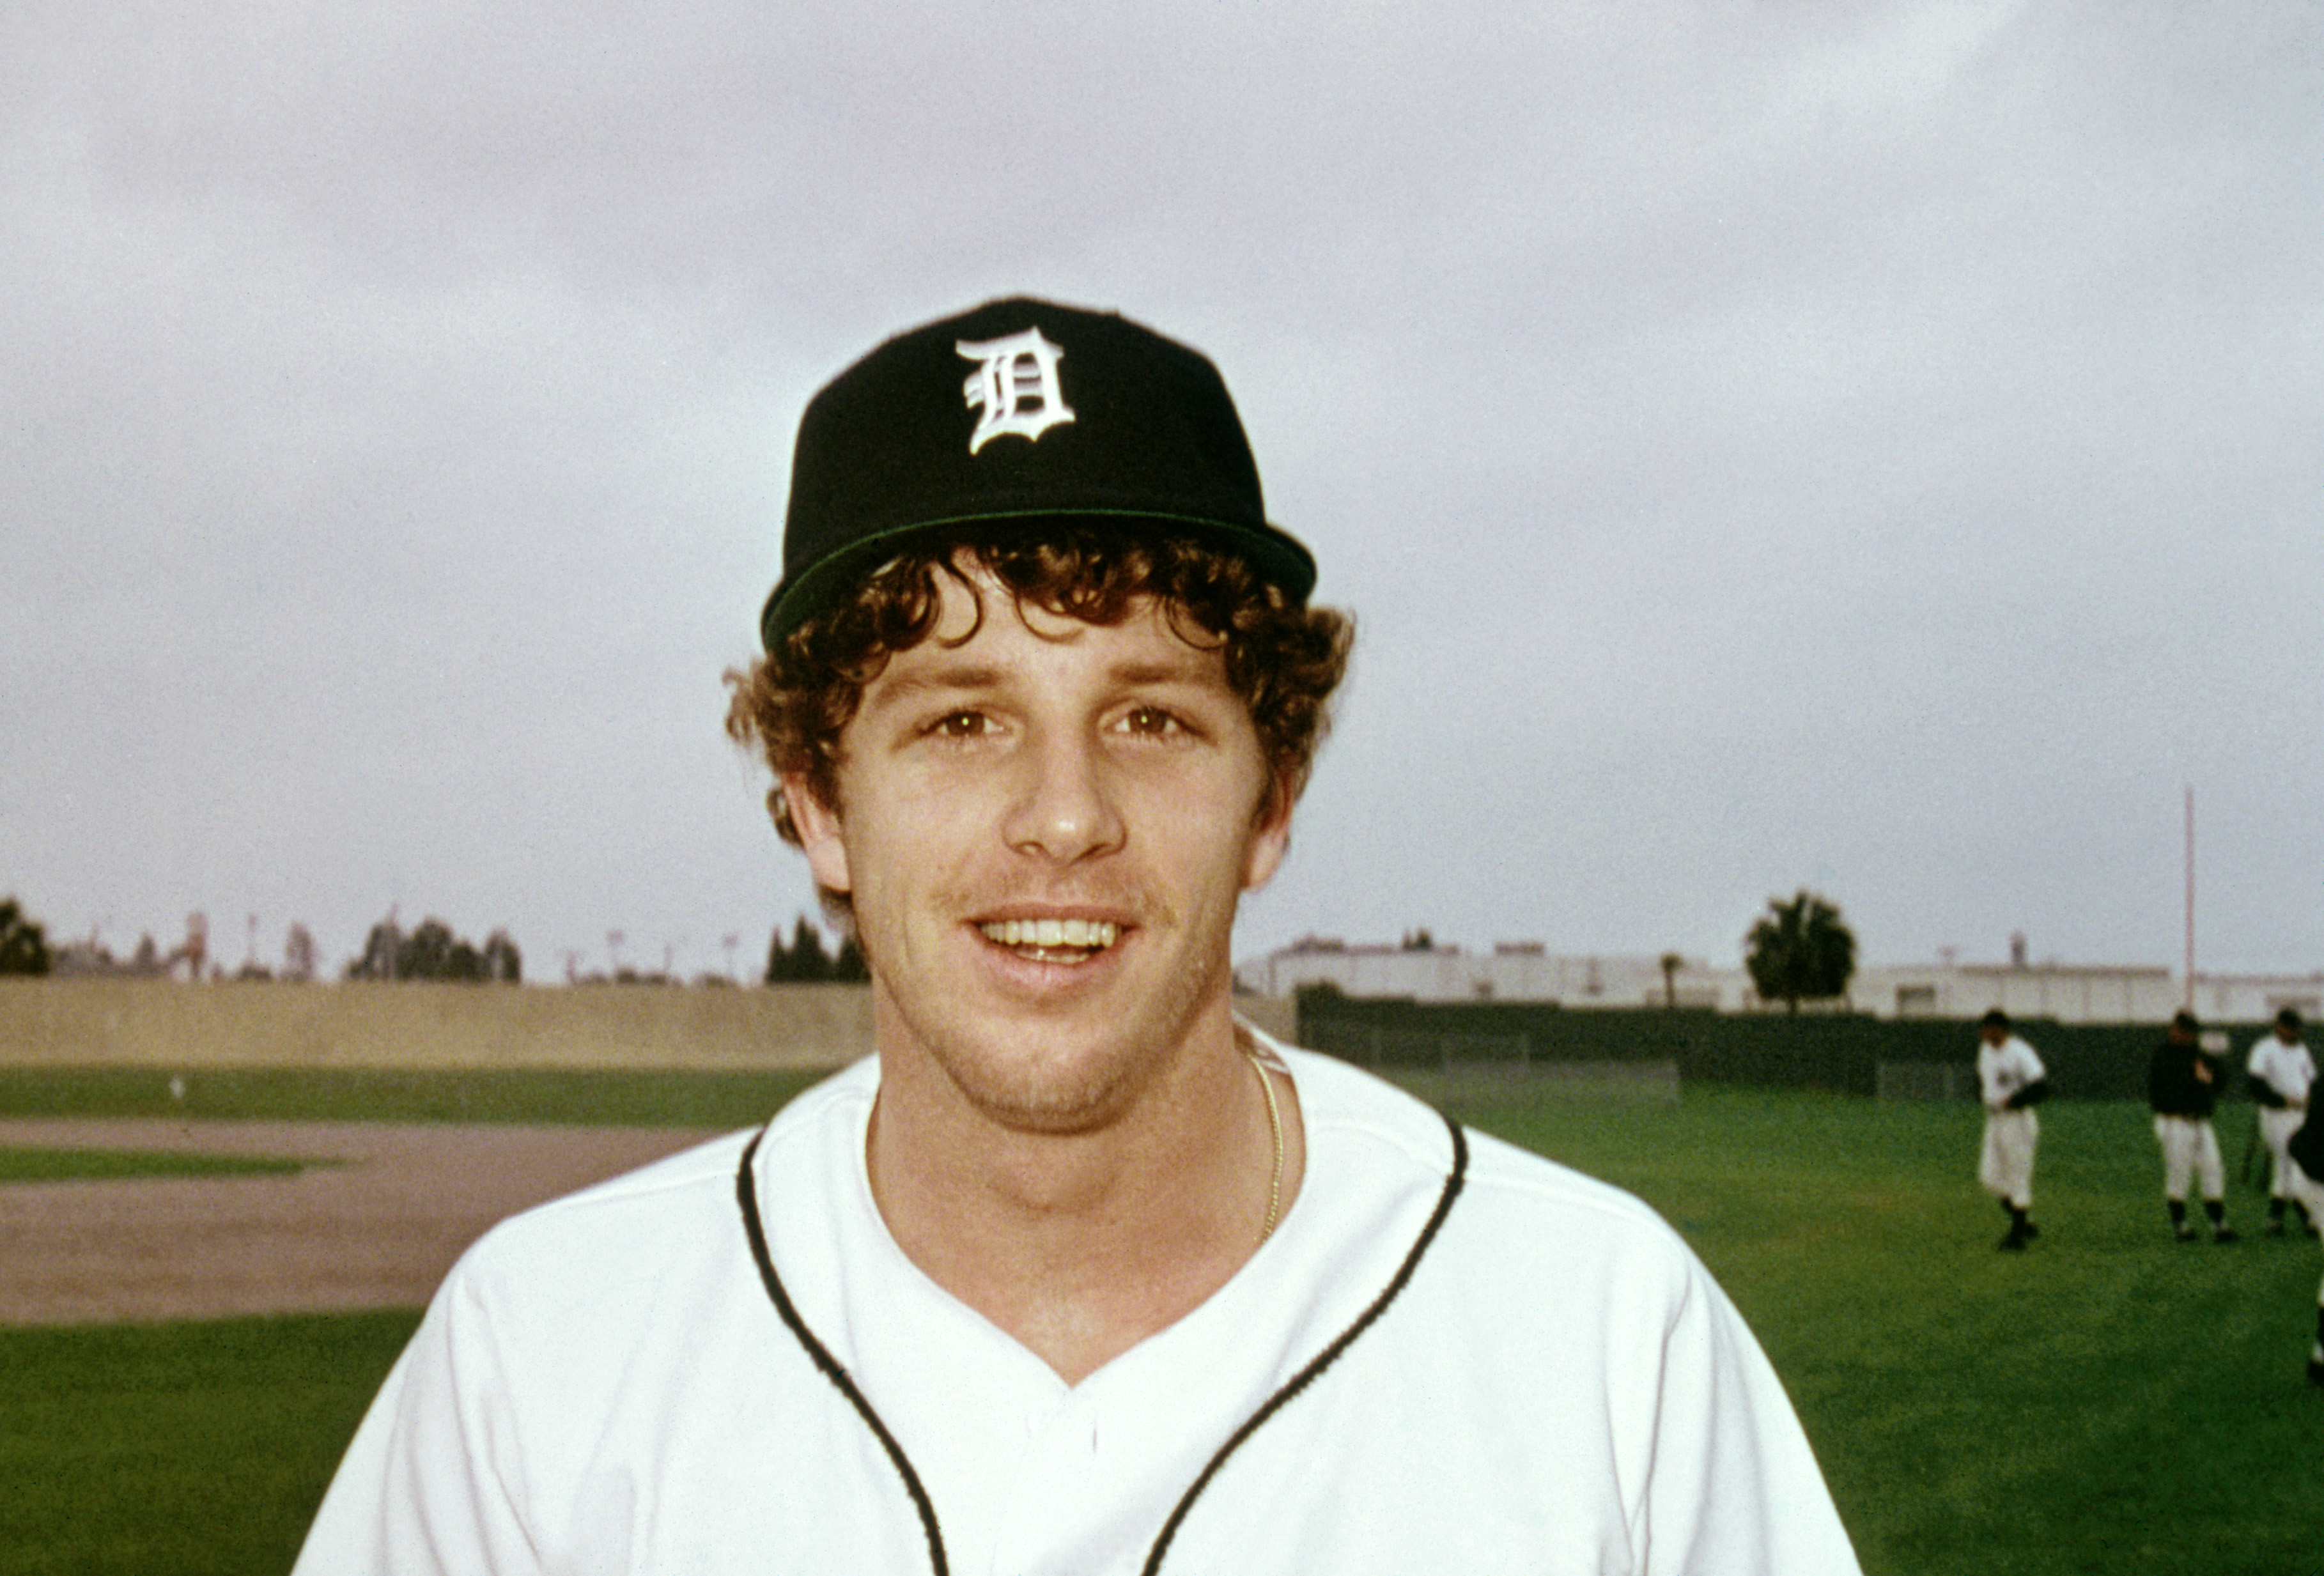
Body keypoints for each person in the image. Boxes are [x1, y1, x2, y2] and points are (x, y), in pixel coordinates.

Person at [293, 297, 1862, 1573]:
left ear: (1270, 798)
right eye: (961, 717)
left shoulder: (1600, 1345)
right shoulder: (542, 1368)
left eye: (1153, 718)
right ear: (818, 805)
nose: (1063, 817)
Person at [2149, 1008, 2238, 1243]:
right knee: (2180, 1172)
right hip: (2174, 1121)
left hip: (2201, 1122)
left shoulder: (2199, 1054)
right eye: (2184, 1031)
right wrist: (2191, 1080)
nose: (2187, 1036)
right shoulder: (2163, 1056)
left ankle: (2219, 1225)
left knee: (2213, 1168)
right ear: (2174, 1030)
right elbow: (2159, 1095)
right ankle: (2181, 1226)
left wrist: (2208, 1078)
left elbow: (2221, 1081)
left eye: (2191, 1032)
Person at [1974, 1008, 2048, 1250]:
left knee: (2018, 1177)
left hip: (2017, 1120)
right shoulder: (1985, 1051)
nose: (1984, 1034)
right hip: (1995, 1119)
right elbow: (1984, 1080)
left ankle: (2016, 1237)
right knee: (1989, 1178)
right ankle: (2024, 1221)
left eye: (1988, 1029)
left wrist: (2014, 1100)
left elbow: (2042, 1087)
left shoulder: (2019, 1051)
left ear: (2000, 1030)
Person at [2247, 1007, 2318, 1236]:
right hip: (2276, 1115)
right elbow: (2255, 1085)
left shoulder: (2301, 1051)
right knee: (2292, 1163)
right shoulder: (2265, 1049)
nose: (2296, 1033)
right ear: (2281, 1027)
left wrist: (2310, 1099)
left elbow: (2312, 1080)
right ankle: (2308, 1219)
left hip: (2301, 1115)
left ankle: (2275, 1220)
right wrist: (2283, 1100)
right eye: (2292, 1029)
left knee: (2286, 1167)